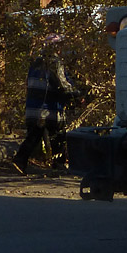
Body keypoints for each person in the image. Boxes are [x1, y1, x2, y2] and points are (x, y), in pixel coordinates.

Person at [11, 34, 79, 174]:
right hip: (48, 109)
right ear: (55, 47)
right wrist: (77, 94)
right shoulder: (54, 63)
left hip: (33, 108)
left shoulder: (35, 63)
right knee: (57, 137)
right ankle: (59, 165)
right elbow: (62, 85)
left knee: (33, 137)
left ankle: (19, 162)